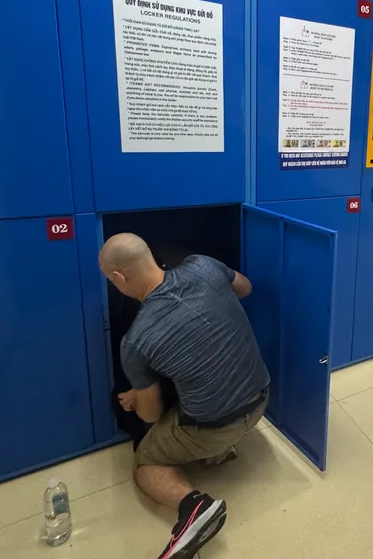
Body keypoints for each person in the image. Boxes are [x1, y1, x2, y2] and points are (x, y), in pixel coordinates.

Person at [98, 233, 270, 559]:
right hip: (261, 398)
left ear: (119, 278)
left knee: (145, 463)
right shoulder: (203, 265)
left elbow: (150, 415)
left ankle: (194, 508)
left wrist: (137, 395)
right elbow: (244, 287)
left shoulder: (135, 341)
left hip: (218, 425)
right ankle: (219, 451)